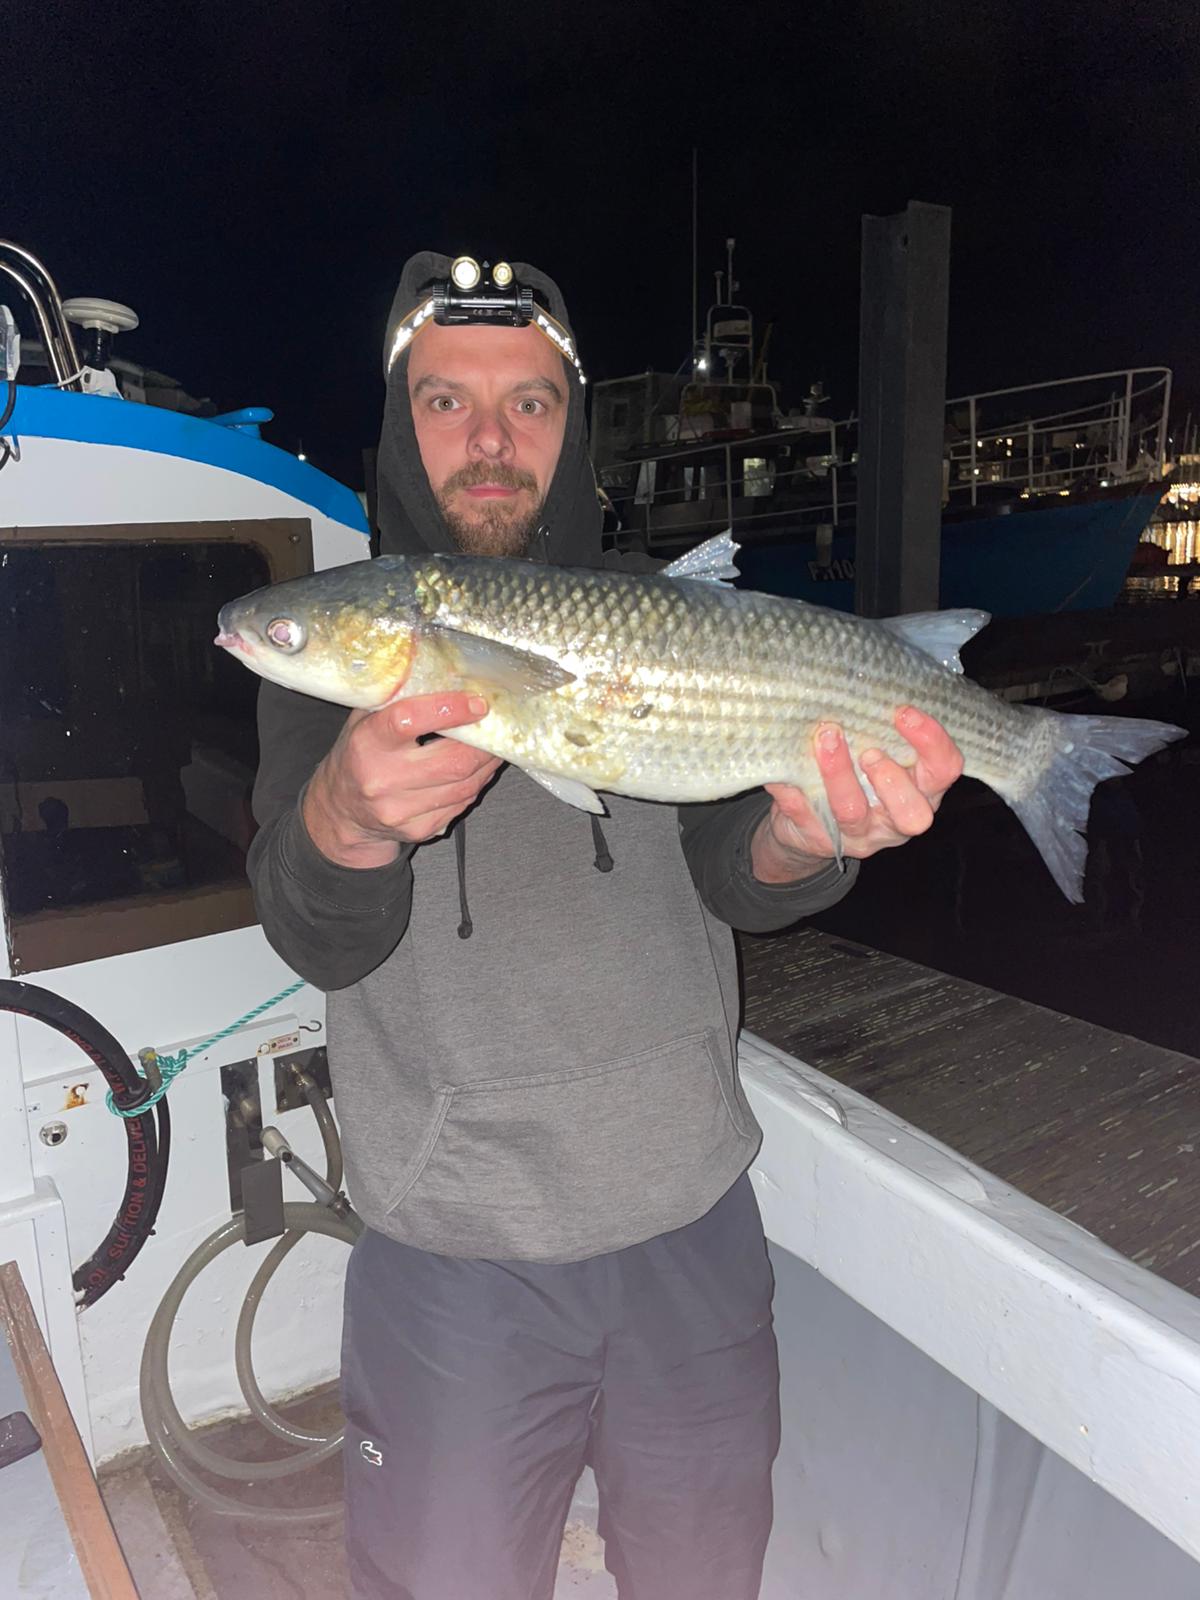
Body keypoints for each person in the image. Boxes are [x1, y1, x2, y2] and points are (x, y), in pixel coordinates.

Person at [248, 252, 964, 1600]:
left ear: (574, 424)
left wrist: (808, 834)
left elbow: (734, 873)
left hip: (690, 1224)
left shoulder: (666, 609)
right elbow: (312, 929)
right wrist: (347, 813)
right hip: (454, 1257)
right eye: (449, 403)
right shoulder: (343, 648)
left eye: (528, 402)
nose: (492, 440)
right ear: (400, 424)